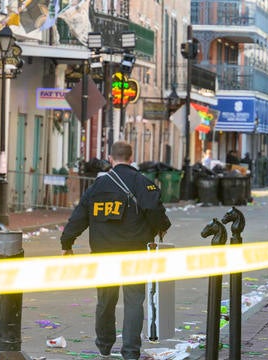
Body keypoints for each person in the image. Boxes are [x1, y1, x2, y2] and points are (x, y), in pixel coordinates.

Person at [60, 141, 172, 360]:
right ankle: (130, 351)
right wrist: (161, 228)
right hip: (134, 251)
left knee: (105, 300)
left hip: (103, 253)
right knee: (133, 300)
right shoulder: (142, 182)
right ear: (131, 158)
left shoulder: (97, 187)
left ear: (111, 158)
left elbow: (78, 217)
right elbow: (154, 209)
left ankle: (104, 346)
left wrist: (67, 244)